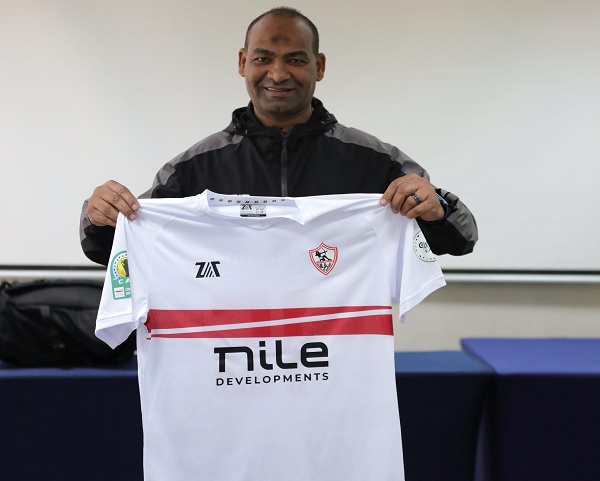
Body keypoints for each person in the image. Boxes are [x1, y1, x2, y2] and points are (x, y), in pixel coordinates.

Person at [80, 7, 477, 266]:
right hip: (234, 353)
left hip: (338, 353)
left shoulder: (374, 160)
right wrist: (101, 217)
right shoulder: (193, 167)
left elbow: (460, 238)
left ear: (319, 66)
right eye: (263, 58)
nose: (278, 73)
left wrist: (437, 209)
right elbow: (114, 246)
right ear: (243, 62)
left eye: (296, 60)